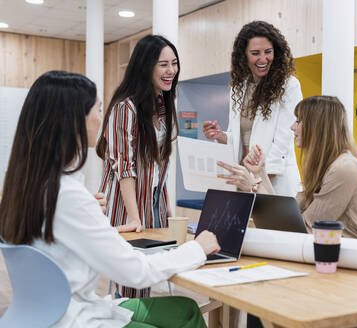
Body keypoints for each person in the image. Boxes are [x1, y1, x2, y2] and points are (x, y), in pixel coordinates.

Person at [0, 70, 220, 328]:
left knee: (186, 310)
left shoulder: (29, 184)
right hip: (73, 319)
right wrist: (197, 248)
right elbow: (136, 272)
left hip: (49, 312)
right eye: (97, 109)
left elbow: (59, 231)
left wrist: (88, 213)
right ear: (73, 120)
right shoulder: (68, 195)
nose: (100, 119)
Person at [219, 95, 357, 254]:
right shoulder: (325, 167)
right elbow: (289, 221)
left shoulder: (344, 169)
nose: (292, 127)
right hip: (347, 258)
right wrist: (261, 174)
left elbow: (303, 232)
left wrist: (253, 185)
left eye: (298, 121)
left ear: (316, 127)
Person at [96, 35, 180, 298]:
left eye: (174, 63)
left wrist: (166, 208)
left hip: (151, 206)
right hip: (127, 207)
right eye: (163, 64)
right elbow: (125, 169)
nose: (171, 71)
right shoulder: (125, 108)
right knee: (131, 285)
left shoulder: (162, 107)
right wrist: (134, 217)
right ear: (146, 66)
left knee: (145, 281)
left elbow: (158, 169)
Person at [203, 20, 302, 197]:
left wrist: (257, 186)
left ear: (276, 52)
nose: (263, 59)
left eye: (268, 52)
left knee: (271, 224)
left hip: (273, 182)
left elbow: (282, 144)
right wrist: (221, 136)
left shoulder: (289, 86)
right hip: (244, 179)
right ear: (244, 55)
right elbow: (238, 139)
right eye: (255, 53)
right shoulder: (238, 87)